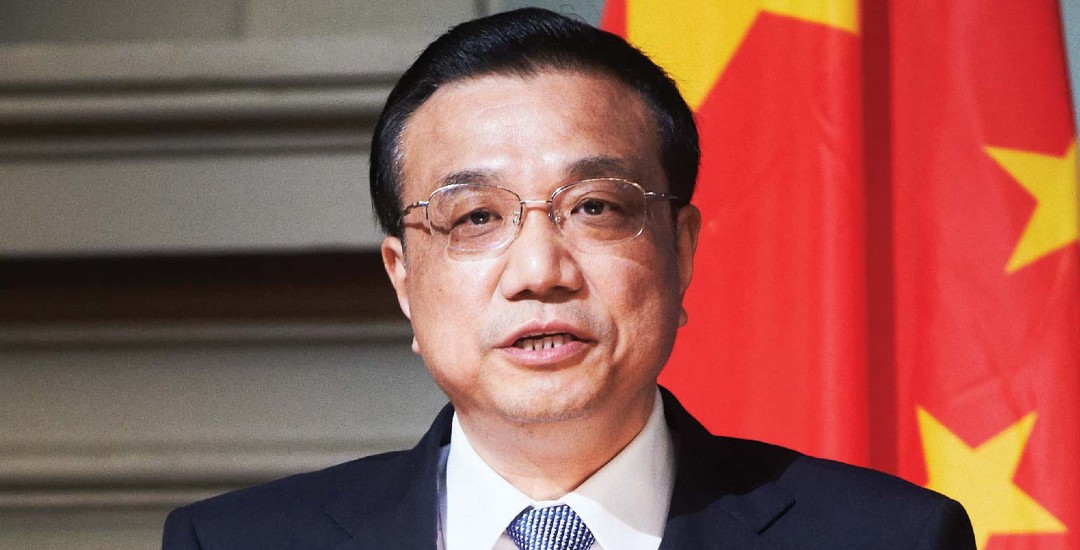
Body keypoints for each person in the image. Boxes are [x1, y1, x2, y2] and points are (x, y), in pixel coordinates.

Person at [162, 8, 975, 550]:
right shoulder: (235, 544)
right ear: (403, 280)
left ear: (682, 251)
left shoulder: (889, 539)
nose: (540, 272)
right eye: (475, 217)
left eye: (594, 207)